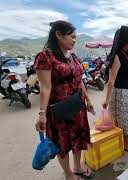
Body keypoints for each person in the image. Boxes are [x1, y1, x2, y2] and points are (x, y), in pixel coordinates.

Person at [34, 21, 93, 180]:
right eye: (72, 37)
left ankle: (78, 167)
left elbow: (79, 79)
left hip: (77, 106)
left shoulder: (73, 55)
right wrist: (41, 114)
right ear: (59, 35)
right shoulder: (45, 56)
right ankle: (68, 175)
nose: (75, 40)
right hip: (59, 110)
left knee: (78, 138)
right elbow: (45, 88)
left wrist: (87, 99)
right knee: (62, 144)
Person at [103, 26, 128, 153]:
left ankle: (125, 139)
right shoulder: (117, 56)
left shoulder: (126, 55)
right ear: (125, 40)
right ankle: (125, 143)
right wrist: (107, 100)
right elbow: (111, 81)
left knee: (126, 117)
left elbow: (126, 71)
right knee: (123, 119)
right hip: (120, 93)